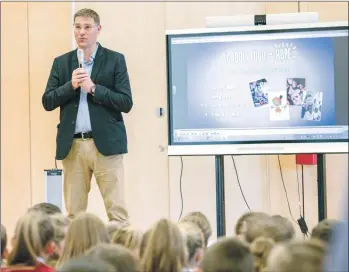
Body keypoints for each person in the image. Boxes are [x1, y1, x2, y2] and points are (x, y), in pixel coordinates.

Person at [42, 8, 133, 223]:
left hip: (106, 147)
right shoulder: (61, 62)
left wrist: (94, 89)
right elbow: (47, 101)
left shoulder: (115, 59)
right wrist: (70, 86)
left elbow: (126, 102)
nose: (81, 32)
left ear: (98, 29)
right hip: (73, 147)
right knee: (73, 216)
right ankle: (77, 256)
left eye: (87, 27)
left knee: (117, 214)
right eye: (77, 27)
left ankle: (120, 256)